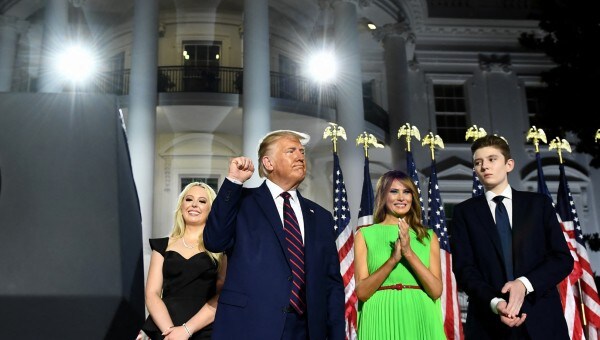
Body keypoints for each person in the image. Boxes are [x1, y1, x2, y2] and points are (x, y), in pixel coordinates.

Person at [203, 130, 345, 340]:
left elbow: (331, 284)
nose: (300, 157)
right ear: (268, 163)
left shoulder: (321, 217)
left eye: (302, 152)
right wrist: (233, 181)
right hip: (249, 327)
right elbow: (214, 241)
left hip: (306, 331)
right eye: (291, 151)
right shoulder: (241, 202)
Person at [451, 135, 573, 339]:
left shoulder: (538, 205)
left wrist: (524, 284)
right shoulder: (464, 213)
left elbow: (561, 259)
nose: (484, 166)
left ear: (509, 165)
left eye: (492, 159)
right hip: (488, 324)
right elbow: (464, 268)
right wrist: (495, 302)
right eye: (478, 162)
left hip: (541, 319)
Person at [354, 170, 445, 339]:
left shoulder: (428, 236)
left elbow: (435, 290)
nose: (401, 198)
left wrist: (408, 253)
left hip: (420, 316)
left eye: (407, 191)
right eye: (394, 191)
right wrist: (393, 259)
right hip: (379, 317)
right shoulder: (364, 235)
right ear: (383, 196)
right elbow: (362, 292)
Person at [143, 182, 227, 339]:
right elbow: (152, 294)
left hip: (205, 330)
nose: (194, 204)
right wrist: (171, 333)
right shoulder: (161, 246)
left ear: (211, 209)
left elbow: (222, 295)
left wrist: (187, 330)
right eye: (189, 199)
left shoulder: (222, 250)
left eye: (202, 201)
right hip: (164, 330)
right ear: (181, 206)